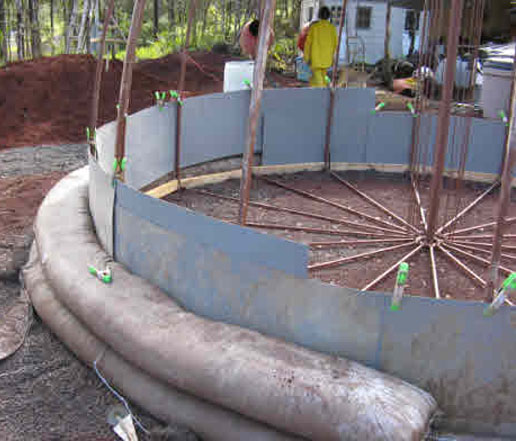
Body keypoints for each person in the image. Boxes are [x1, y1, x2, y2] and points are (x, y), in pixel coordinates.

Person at [303, 6, 337, 87]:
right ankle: (317, 94)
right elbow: (335, 44)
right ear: (329, 16)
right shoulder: (332, 28)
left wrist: (306, 58)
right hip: (327, 59)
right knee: (320, 77)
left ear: (319, 15)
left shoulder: (314, 27)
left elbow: (308, 44)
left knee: (319, 80)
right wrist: (333, 58)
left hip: (316, 59)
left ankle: (321, 95)